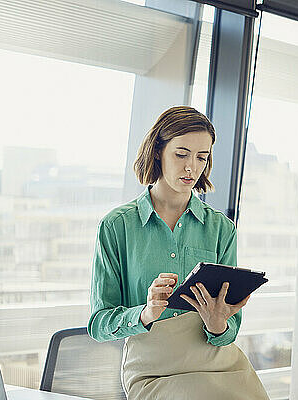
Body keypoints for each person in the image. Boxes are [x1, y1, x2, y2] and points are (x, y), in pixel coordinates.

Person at [87, 106, 269, 400]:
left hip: (219, 365)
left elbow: (229, 329)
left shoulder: (221, 229)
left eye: (202, 157)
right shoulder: (117, 226)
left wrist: (217, 322)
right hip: (154, 370)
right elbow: (98, 323)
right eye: (181, 154)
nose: (191, 168)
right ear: (158, 151)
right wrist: (146, 313)